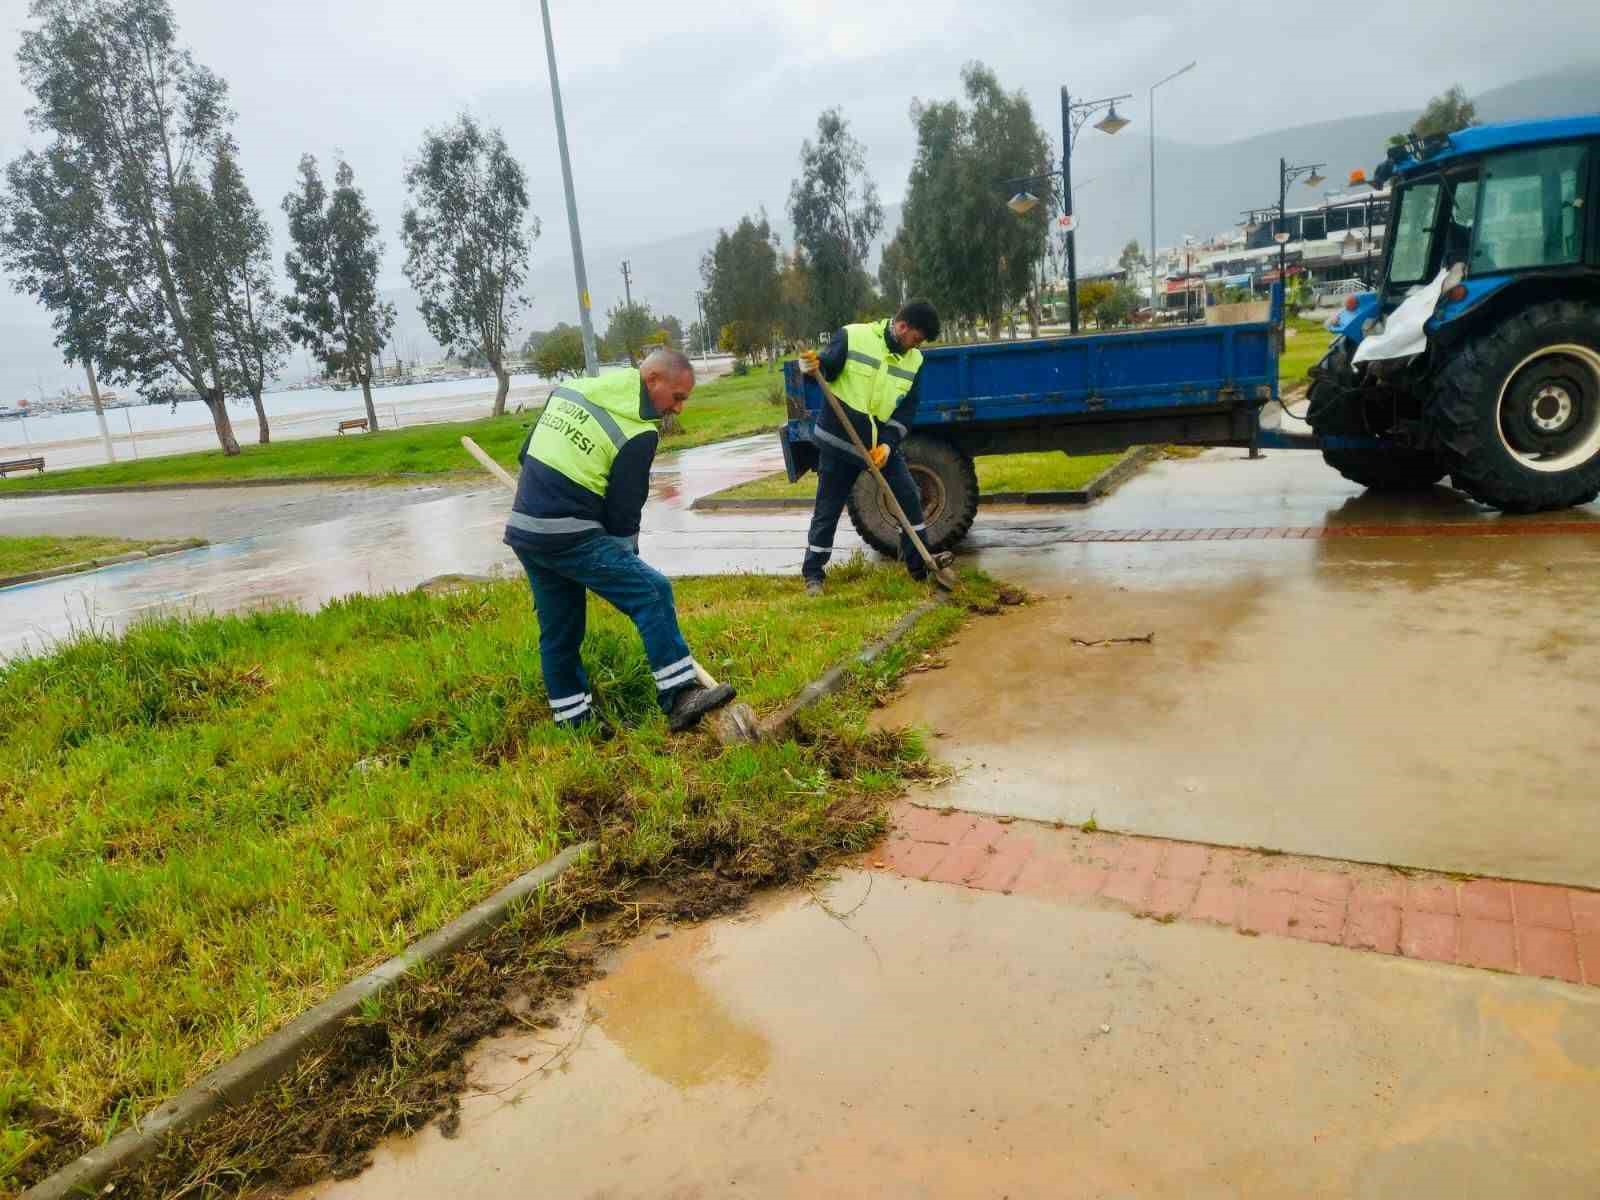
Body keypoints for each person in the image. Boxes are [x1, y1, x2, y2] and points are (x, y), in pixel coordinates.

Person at [503, 348, 735, 732]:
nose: (678, 409)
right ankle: (680, 694)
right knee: (651, 591)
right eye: (677, 398)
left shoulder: (571, 390)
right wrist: (625, 561)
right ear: (653, 380)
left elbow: (525, 453)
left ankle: (574, 722)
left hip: (526, 529)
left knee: (560, 629)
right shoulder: (638, 432)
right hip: (569, 533)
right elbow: (623, 514)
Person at [797, 299, 941, 595]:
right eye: (915, 339)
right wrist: (809, 367)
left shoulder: (914, 361)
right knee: (828, 508)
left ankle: (920, 569)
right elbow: (825, 372)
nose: (916, 346)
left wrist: (888, 445)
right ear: (902, 326)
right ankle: (813, 575)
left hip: (878, 446)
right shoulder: (853, 336)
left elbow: (905, 412)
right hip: (840, 440)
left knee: (908, 497)